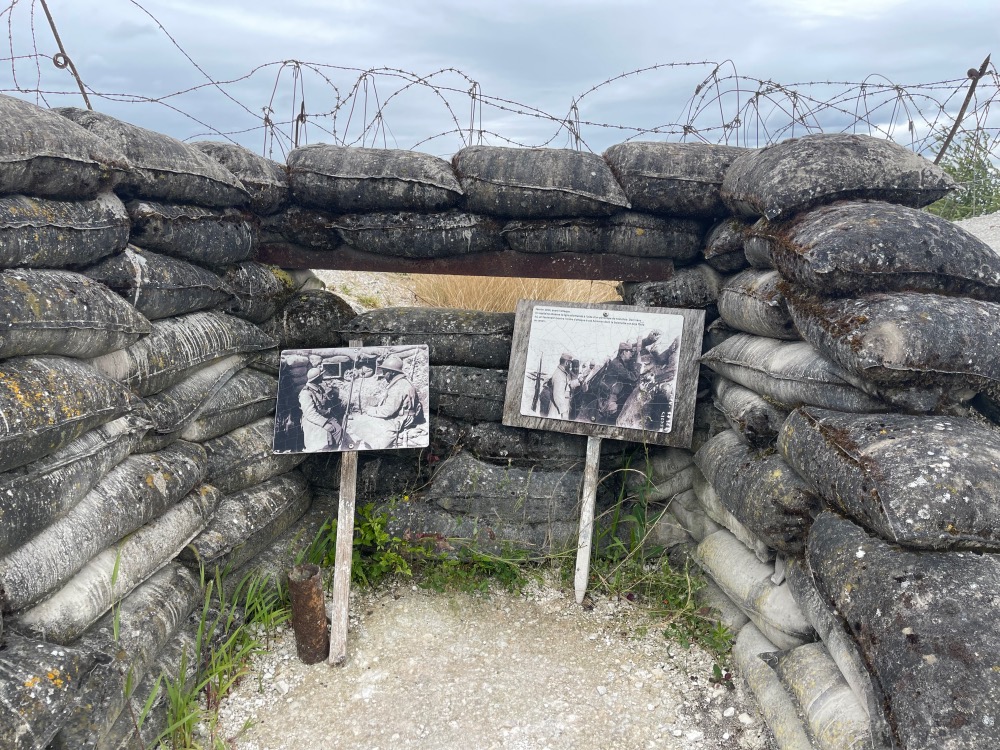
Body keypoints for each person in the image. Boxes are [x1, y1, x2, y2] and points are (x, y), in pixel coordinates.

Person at [361, 354, 424, 448]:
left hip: (399, 419)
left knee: (364, 424)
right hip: (403, 416)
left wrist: (370, 410)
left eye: (385, 371)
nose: (383, 374)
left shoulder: (398, 386)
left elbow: (387, 411)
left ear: (392, 373)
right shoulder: (403, 382)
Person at [592, 341, 640, 425]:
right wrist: (638, 364)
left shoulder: (619, 362)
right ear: (624, 352)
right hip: (609, 400)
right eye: (630, 352)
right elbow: (633, 377)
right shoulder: (617, 365)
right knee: (610, 421)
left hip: (609, 397)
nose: (631, 355)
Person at [547, 352, 581, 420]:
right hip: (558, 410)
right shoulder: (559, 375)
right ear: (566, 363)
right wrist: (564, 412)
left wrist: (578, 381)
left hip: (562, 407)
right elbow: (558, 396)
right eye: (570, 363)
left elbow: (568, 385)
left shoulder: (563, 373)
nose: (570, 366)